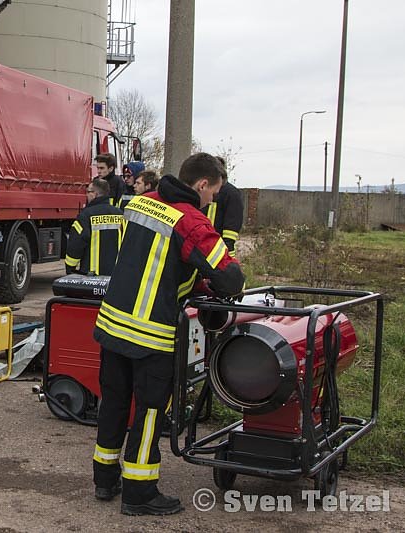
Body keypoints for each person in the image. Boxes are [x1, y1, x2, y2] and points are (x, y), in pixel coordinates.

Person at [91, 153, 245, 516]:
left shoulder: (141, 202)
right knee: (148, 412)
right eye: (214, 194)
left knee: (113, 403)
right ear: (202, 184)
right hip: (150, 334)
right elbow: (229, 277)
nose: (213, 202)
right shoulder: (190, 221)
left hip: (113, 323)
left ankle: (104, 479)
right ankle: (139, 492)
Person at [64, 178, 124, 276]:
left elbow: (75, 244)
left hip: (92, 277)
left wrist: (70, 268)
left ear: (94, 194)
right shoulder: (120, 215)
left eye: (88, 192)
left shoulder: (86, 216)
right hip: (115, 275)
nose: (86, 195)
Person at [205, 156, 244, 258]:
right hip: (202, 247)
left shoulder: (231, 194)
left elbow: (231, 229)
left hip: (219, 250)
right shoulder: (202, 191)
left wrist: (225, 256)